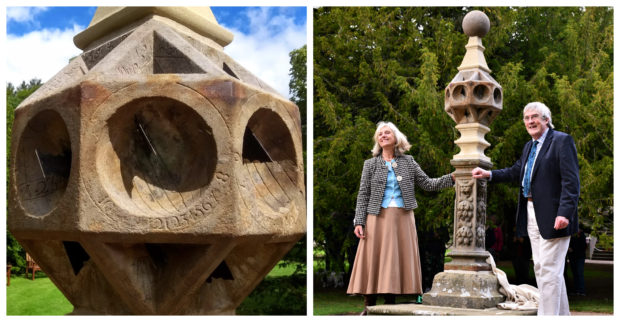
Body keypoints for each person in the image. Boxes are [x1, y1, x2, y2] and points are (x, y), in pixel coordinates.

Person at [472, 102, 580, 315]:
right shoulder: (529, 146)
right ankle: (562, 316)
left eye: (535, 117)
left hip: (554, 216)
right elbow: (517, 171)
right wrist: (489, 174)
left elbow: (571, 182)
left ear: (546, 119)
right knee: (543, 270)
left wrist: (564, 213)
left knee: (549, 271)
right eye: (527, 118)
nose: (530, 121)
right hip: (531, 213)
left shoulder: (561, 141)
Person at [346, 121, 454, 315]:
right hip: (376, 217)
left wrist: (452, 178)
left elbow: (428, 184)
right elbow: (363, 193)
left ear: (396, 138)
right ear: (377, 140)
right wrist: (359, 221)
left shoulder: (408, 161)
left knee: (394, 260)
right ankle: (368, 306)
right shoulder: (370, 164)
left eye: (387, 132)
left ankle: (390, 307)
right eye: (380, 133)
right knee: (374, 259)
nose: (383, 135)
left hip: (403, 218)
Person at [567, 227, 586, 296]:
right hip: (573, 257)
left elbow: (583, 247)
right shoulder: (572, 236)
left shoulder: (582, 236)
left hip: (579, 257)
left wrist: (573, 249)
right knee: (575, 273)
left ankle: (582, 290)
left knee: (579, 273)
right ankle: (577, 290)